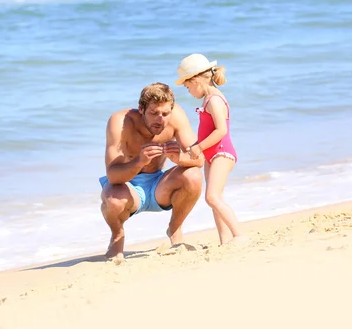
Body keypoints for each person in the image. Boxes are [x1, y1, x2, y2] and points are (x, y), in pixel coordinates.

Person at [99, 82, 204, 263]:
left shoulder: (177, 116)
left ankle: (175, 228)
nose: (160, 119)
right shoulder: (120, 121)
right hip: (127, 185)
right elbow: (113, 176)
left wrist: (179, 158)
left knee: (193, 176)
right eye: (154, 113)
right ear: (141, 109)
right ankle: (117, 237)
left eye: (165, 113)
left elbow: (199, 159)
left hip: (159, 185)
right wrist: (139, 161)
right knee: (112, 199)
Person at [175, 53, 246, 245]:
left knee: (212, 197)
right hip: (212, 154)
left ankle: (239, 235)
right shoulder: (207, 99)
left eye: (188, 87)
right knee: (215, 200)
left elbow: (221, 130)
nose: (188, 91)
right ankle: (225, 240)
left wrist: (199, 147)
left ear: (196, 80)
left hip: (222, 153)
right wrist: (195, 147)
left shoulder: (214, 100)